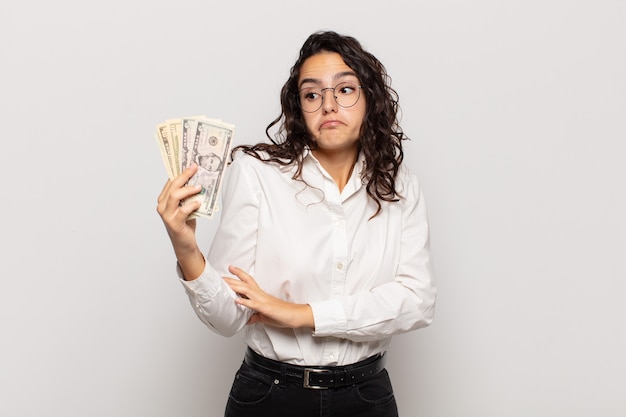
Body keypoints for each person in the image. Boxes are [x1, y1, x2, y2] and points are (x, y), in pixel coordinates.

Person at [157, 30, 436, 417]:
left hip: (366, 396)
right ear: (299, 108)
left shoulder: (399, 185)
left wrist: (300, 314)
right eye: (312, 94)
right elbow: (226, 318)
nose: (328, 105)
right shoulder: (257, 175)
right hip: (270, 396)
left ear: (369, 99)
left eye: (345, 89)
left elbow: (417, 301)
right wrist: (184, 245)